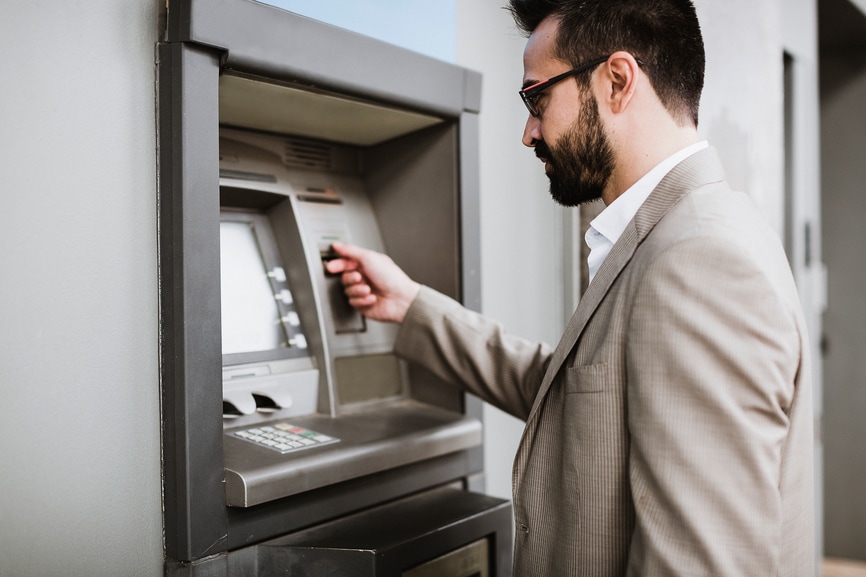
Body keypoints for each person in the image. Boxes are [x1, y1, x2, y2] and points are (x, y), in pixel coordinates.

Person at [327, 0, 815, 575]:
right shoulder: (683, 233)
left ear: (617, 80)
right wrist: (411, 306)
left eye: (537, 98)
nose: (528, 132)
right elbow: (575, 395)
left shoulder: (698, 260)